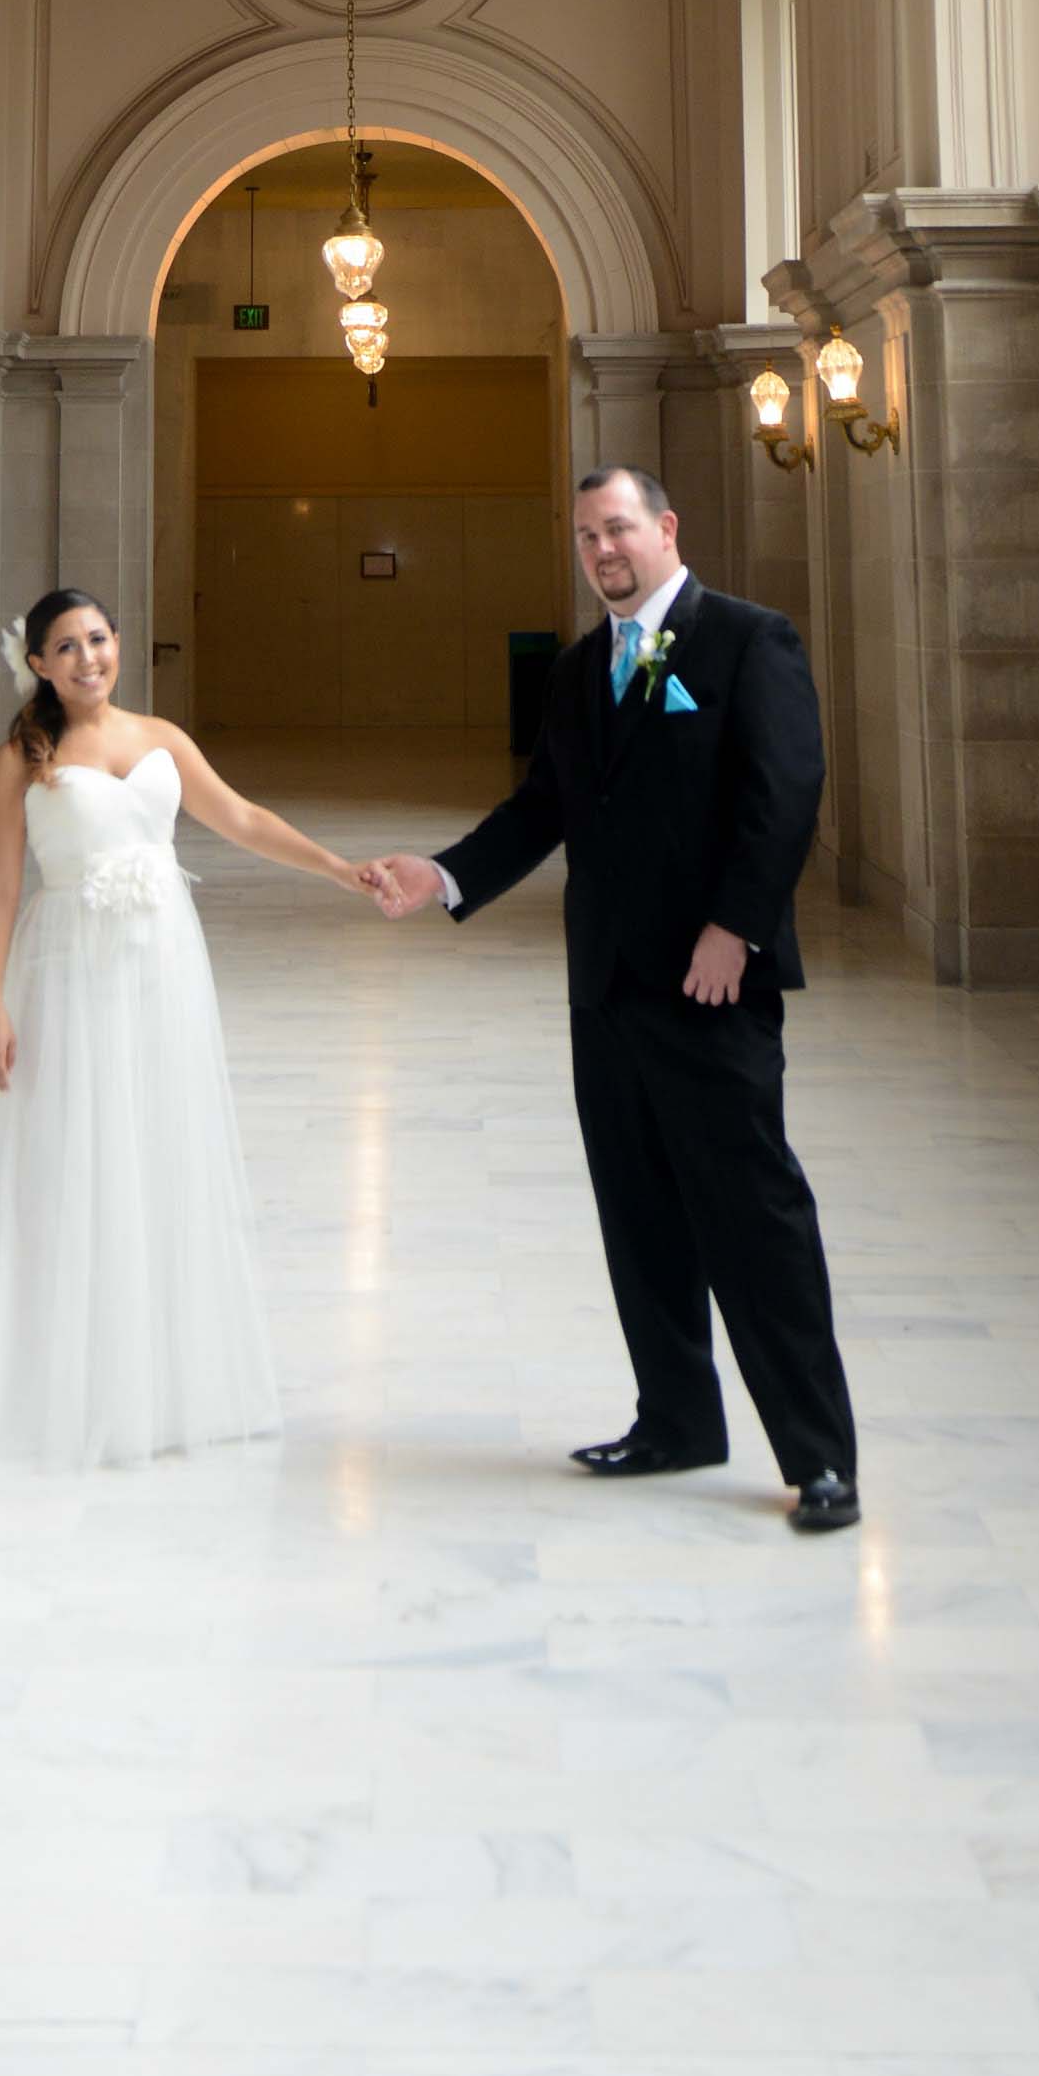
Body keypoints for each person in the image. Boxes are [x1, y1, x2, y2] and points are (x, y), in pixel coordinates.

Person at [365, 465, 858, 1533]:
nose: (604, 552)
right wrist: (444, 876)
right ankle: (677, 1419)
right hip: (606, 988)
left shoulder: (746, 638)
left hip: (712, 983)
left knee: (755, 1215)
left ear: (666, 528)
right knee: (638, 1217)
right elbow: (544, 805)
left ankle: (821, 1457)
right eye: (588, 536)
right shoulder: (584, 669)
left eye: (620, 529)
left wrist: (737, 927)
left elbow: (787, 792)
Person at [0, 584, 377, 1472]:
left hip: (164, 963)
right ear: (40, 665)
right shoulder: (22, 758)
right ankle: (53, 1389)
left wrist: (335, 868)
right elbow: (2, 889)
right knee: (71, 1158)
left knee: (161, 1150)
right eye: (66, 646)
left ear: (115, 644)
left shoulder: (162, 739)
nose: (88, 657)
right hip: (70, 968)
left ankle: (159, 1387)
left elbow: (240, 819)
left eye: (98, 638)